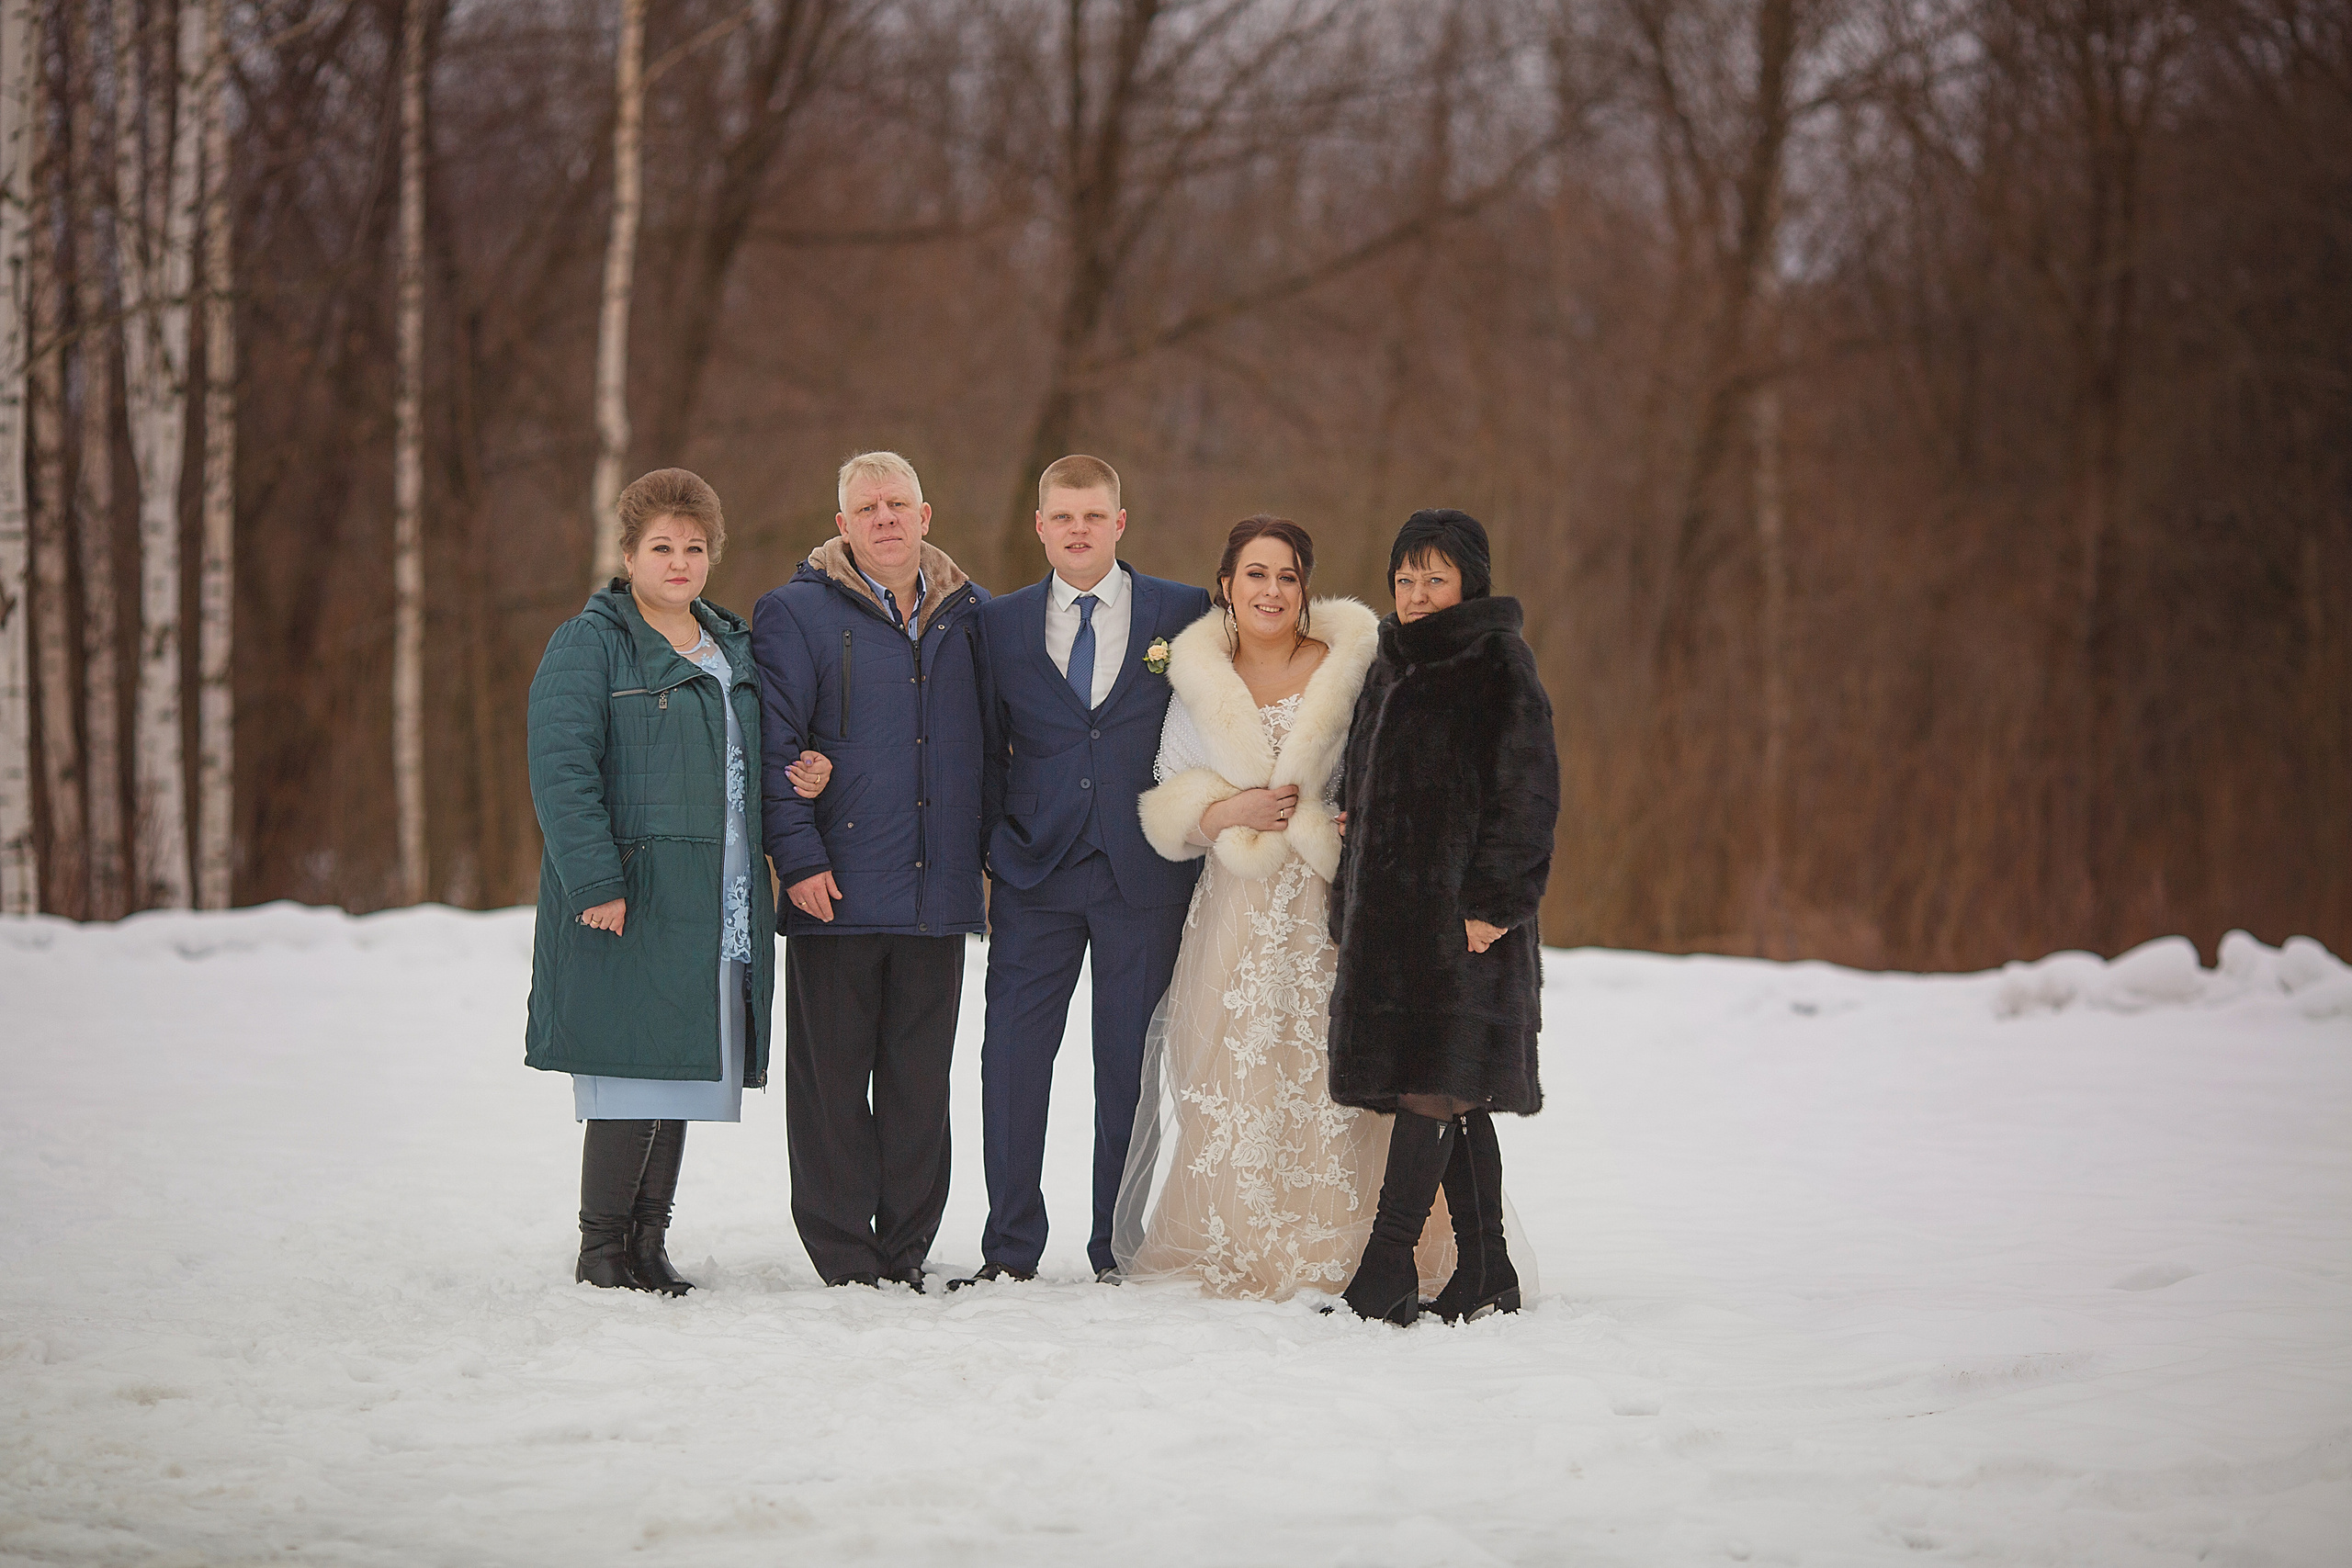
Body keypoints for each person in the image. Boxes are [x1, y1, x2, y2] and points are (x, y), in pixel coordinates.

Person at [1110, 516, 1455, 1300]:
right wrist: (1233, 813)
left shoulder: (1348, 666)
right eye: (1255, 574)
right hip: (1234, 903)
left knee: (1328, 1067)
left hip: (1328, 899)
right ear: (1227, 585)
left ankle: (1353, 1244)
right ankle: (1240, 1240)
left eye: (1287, 576)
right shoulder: (1200, 677)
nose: (1271, 590)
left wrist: (1356, 817)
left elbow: (1396, 762)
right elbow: (1170, 800)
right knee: (1235, 1071)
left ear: (1306, 588)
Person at [526, 468, 808, 1294]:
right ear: (629, 553)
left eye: (693, 547)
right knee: (631, 1064)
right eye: (661, 547)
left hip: (716, 888)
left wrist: (805, 774)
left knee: (683, 1061)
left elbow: (744, 761)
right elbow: (560, 769)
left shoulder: (728, 644)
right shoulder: (593, 641)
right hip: (637, 888)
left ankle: (648, 1243)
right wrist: (595, 882)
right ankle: (601, 1247)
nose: (678, 562)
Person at [953, 456, 1213, 1288]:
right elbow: (984, 749)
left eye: (1093, 517)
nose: (1078, 530)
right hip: (1036, 872)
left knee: (1129, 1068)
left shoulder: (1184, 611)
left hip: (1146, 873)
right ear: (1041, 526)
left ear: (1119, 522)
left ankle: (1117, 1247)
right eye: (1062, 517)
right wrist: (997, 844)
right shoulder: (999, 624)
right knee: (1013, 1063)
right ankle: (1010, 1249)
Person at [752, 451, 989, 1292]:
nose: (885, 518)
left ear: (926, 516)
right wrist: (800, 858)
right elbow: (776, 750)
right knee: (833, 1087)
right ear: (842, 524)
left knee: (922, 1088)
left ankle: (906, 1250)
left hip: (937, 891)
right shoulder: (793, 614)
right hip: (837, 890)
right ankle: (845, 1251)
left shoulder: (974, 617)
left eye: (899, 504)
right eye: (867, 507)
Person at [1328, 508, 1560, 1325]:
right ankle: (1488, 1268)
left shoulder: (1496, 660)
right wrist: (1351, 844)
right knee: (1449, 1095)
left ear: (1469, 583)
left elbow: (1528, 794)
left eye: (1435, 577)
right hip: (1394, 924)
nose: (1418, 593)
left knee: (1433, 1087)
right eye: (1405, 578)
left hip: (1466, 925)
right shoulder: (1390, 660)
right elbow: (1363, 777)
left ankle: (1387, 1268)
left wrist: (1495, 906)